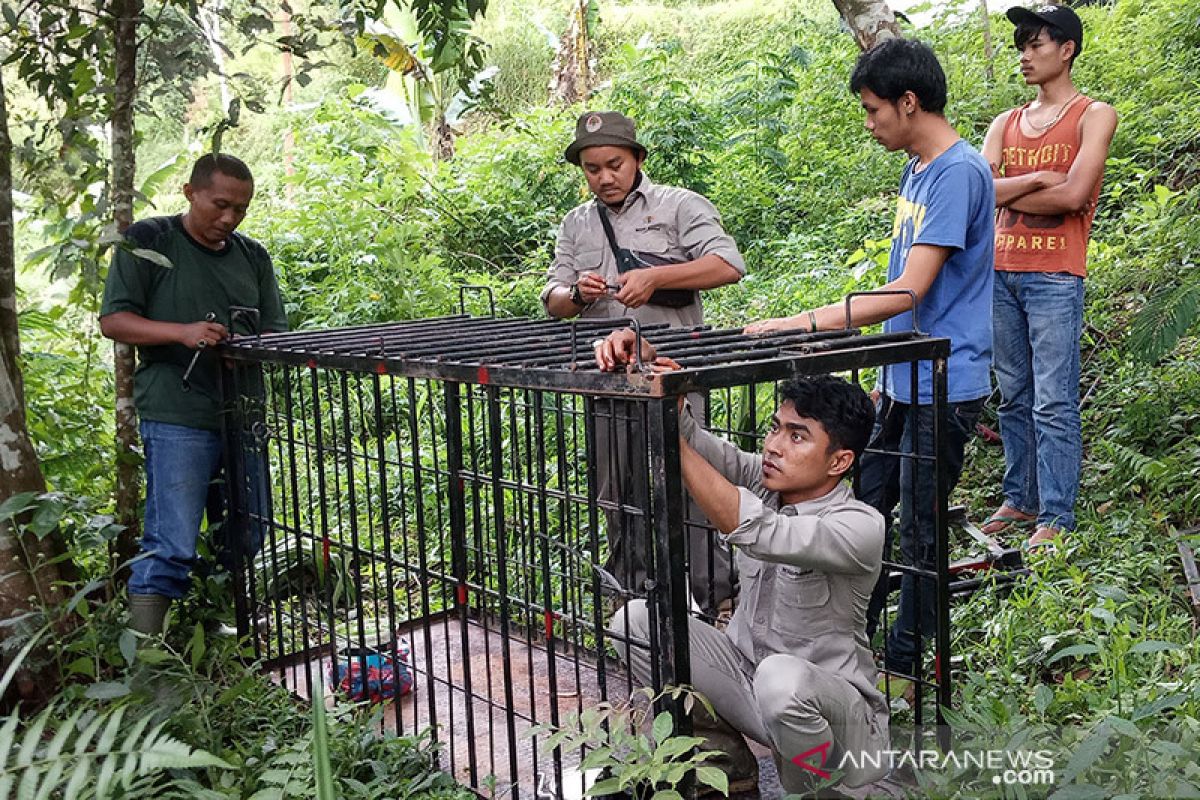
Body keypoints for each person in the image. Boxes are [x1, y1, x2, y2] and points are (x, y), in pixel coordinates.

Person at [741, 39, 996, 681]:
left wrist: (806, 321)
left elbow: (910, 289)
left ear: (909, 103)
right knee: (866, 511)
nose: (869, 122)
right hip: (902, 378)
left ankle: (908, 668)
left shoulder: (959, 172)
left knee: (920, 532)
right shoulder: (917, 168)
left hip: (945, 377)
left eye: (874, 109)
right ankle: (850, 648)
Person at [595, 349, 889, 794]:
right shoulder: (765, 481)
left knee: (781, 680)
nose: (773, 445)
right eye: (776, 427)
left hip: (834, 716)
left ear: (839, 462)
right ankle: (728, 764)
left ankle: (822, 790)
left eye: (797, 436)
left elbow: (754, 528)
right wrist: (660, 383)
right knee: (635, 623)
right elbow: (702, 447)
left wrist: (672, 440)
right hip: (749, 678)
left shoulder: (859, 526)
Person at [542, 110, 746, 613]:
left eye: (614, 164)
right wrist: (576, 293)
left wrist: (658, 278)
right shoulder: (576, 224)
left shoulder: (679, 206)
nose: (604, 177)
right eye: (592, 168)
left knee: (693, 482)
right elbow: (552, 297)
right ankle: (632, 607)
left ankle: (717, 599)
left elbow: (728, 264)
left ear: (636, 159)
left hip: (672, 372)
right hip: (606, 379)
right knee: (618, 491)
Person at [100, 153, 288, 636]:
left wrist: (248, 344)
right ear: (190, 193)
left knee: (249, 529)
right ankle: (146, 656)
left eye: (241, 209)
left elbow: (274, 330)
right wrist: (182, 332)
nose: (229, 218)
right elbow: (114, 321)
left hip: (242, 413)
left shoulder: (253, 255)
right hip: (177, 412)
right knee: (172, 540)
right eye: (220, 205)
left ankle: (216, 621)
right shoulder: (150, 241)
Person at [981, 4, 1117, 548]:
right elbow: (979, 191)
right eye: (1020, 45)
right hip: (1001, 270)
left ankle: (1055, 516)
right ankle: (1021, 498)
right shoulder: (1005, 122)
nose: (1024, 55)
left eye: (1036, 44)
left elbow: (1075, 195)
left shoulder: (1093, 114)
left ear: (1067, 50)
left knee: (1053, 398)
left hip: (1055, 274)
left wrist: (1017, 186)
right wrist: (1040, 178)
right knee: (1013, 394)